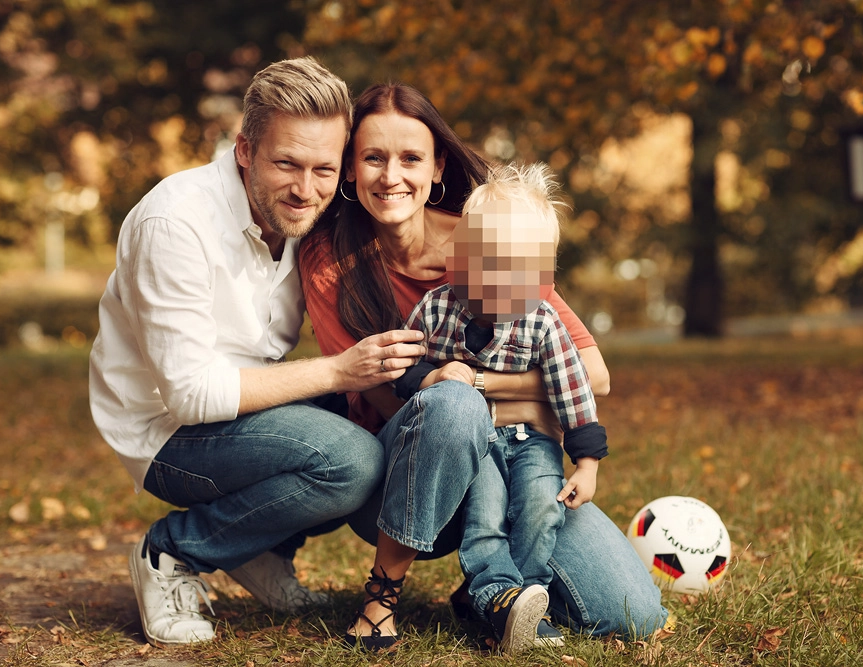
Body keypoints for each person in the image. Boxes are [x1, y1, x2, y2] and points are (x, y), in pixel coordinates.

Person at [299, 82, 667, 652]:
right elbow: (389, 397)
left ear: (437, 164)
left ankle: (488, 597)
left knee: (632, 613)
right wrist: (476, 395)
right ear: (350, 169)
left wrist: (477, 382)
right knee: (450, 406)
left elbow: (592, 374)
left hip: (521, 453)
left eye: (410, 158)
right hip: (403, 469)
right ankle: (385, 595)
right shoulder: (331, 262)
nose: (390, 176)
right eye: (373, 157)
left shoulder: (493, 237)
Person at [88, 57, 427, 648]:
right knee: (350, 460)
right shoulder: (176, 222)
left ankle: (260, 549)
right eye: (285, 164)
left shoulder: (312, 215)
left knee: (372, 420)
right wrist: (340, 370)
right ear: (244, 150)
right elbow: (191, 395)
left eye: (325, 169)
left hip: (247, 406)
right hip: (166, 430)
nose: (306, 189)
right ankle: (170, 553)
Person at [393, 162, 608, 652]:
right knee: (486, 513)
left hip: (532, 442)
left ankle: (524, 604)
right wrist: (431, 375)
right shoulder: (436, 309)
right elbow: (403, 369)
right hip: (477, 441)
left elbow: (574, 391)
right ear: (461, 258)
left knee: (540, 509)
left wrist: (588, 464)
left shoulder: (544, 322)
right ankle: (494, 592)